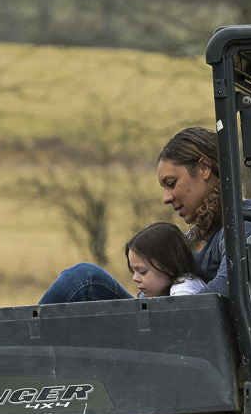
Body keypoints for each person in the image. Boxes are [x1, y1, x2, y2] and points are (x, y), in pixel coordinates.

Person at [40, 126, 240, 303]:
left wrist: (176, 311)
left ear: (204, 169)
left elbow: (231, 283)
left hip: (183, 326)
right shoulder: (198, 233)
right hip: (169, 317)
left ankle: (18, 338)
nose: (166, 198)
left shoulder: (241, 221)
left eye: (171, 183)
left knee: (85, 279)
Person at [124, 222, 209, 297]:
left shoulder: (184, 288)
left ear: (169, 266)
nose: (135, 278)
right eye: (133, 271)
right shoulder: (156, 291)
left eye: (142, 272)